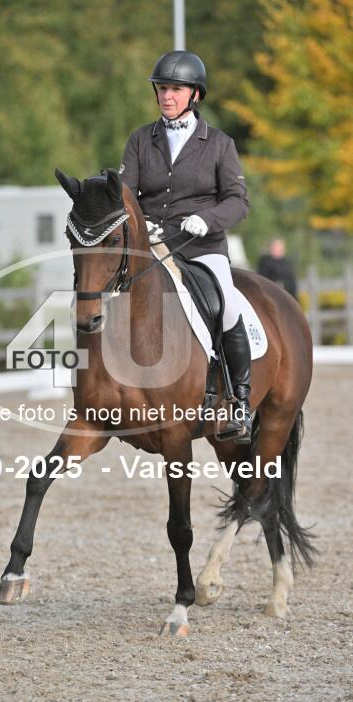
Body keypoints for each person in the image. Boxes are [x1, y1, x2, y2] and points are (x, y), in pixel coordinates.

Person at [119, 50, 252, 442]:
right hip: (154, 247)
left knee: (226, 305)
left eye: (175, 89)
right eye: (162, 89)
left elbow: (238, 201)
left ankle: (240, 402)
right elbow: (125, 195)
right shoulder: (141, 140)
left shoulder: (220, 144)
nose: (166, 96)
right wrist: (139, 223)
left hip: (202, 248)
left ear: (195, 94)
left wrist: (206, 219)